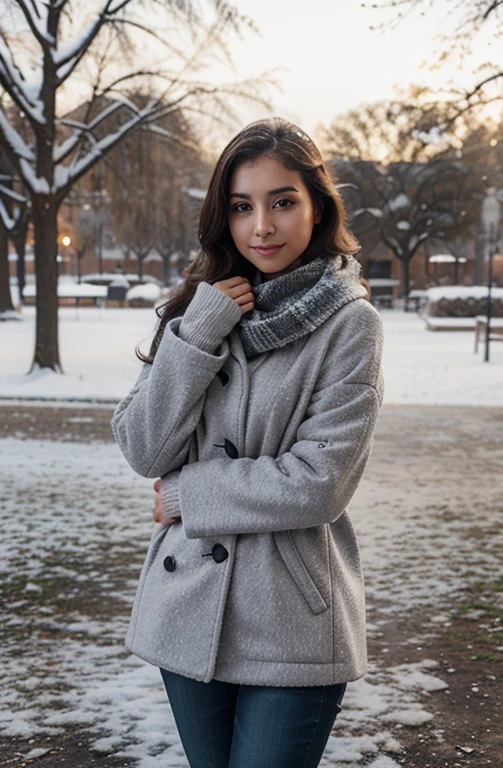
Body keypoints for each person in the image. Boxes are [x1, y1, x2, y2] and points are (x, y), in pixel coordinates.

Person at [111, 117, 384, 768]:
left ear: (316, 208)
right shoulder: (199, 313)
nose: (262, 226)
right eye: (242, 206)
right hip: (187, 611)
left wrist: (186, 493)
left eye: (282, 201)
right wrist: (197, 335)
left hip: (292, 622)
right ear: (222, 217)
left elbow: (318, 482)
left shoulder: (351, 326)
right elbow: (143, 447)